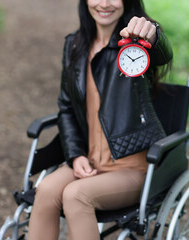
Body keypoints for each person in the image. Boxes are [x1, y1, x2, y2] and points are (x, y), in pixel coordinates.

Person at [28, 0, 173, 239]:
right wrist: (75, 155)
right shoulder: (74, 45)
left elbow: (162, 53)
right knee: (45, 189)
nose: (104, 3)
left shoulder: (137, 44)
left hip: (133, 167)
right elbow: (66, 107)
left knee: (76, 195)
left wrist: (152, 33)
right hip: (91, 160)